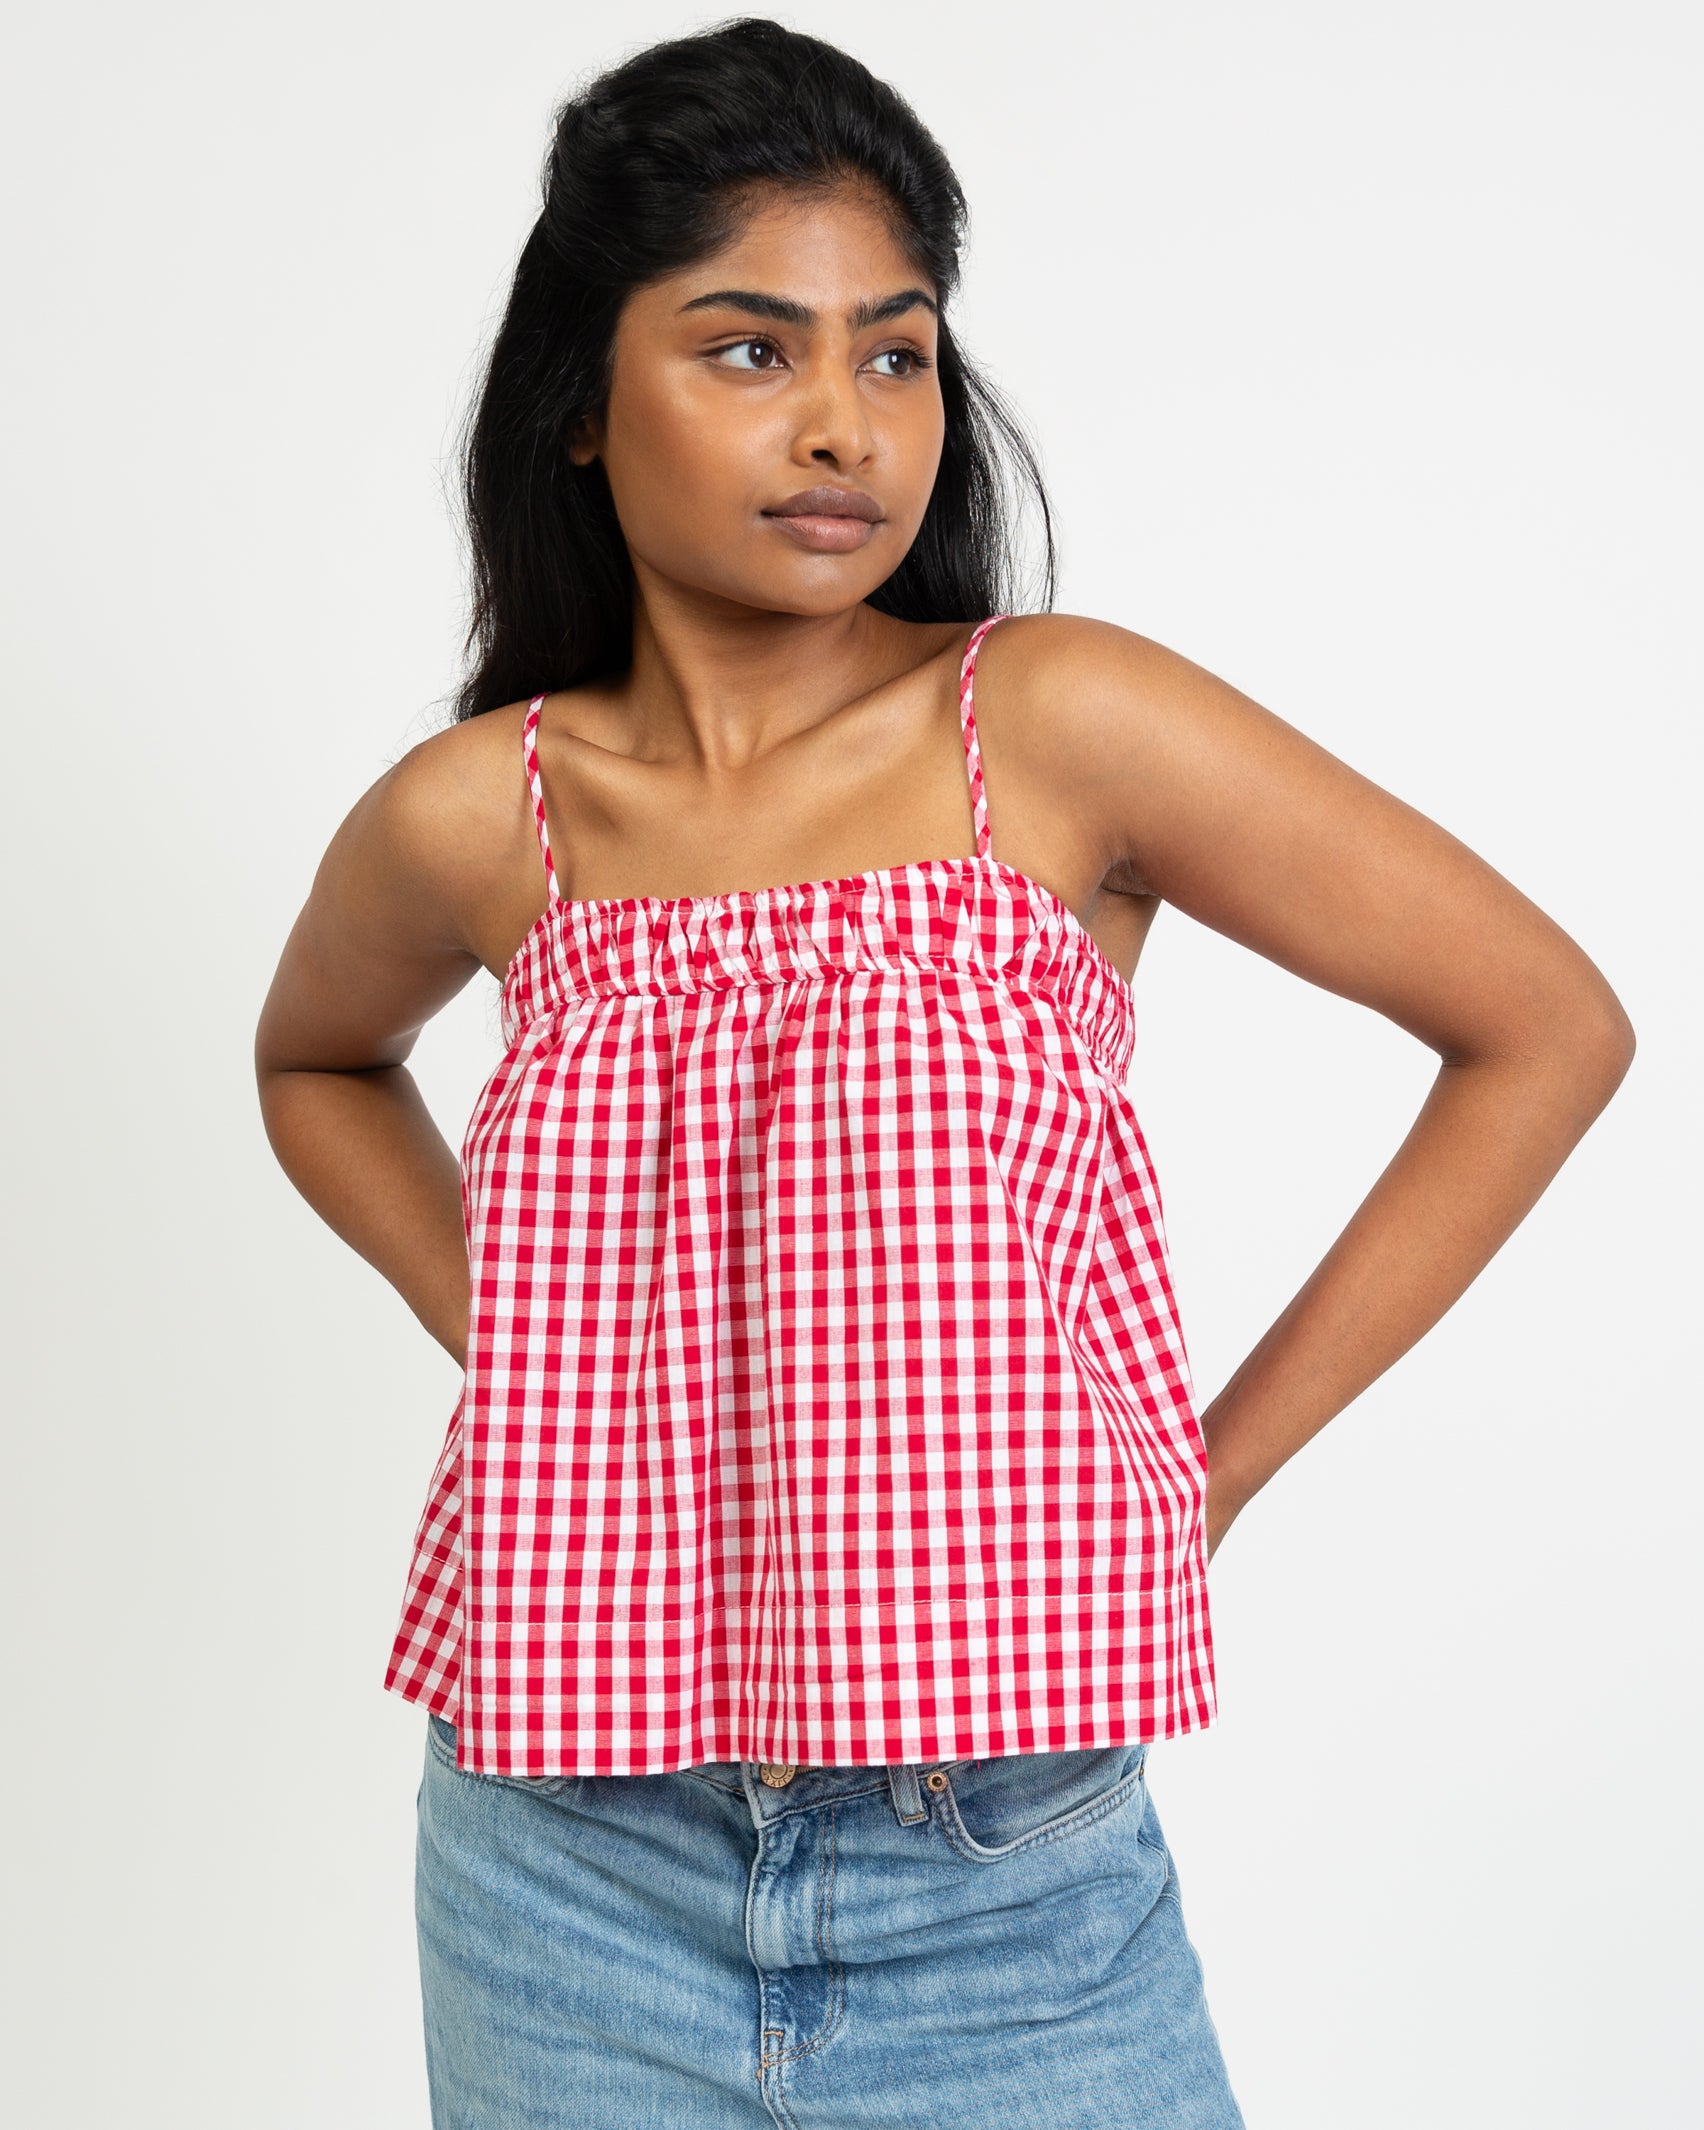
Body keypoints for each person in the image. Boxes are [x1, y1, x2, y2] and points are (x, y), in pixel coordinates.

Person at [253, 18, 1634, 2127]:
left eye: (894, 355)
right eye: (750, 349)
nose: (844, 424)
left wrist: (1209, 1469)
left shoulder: (1051, 728)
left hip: (1002, 1868)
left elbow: (1543, 1025)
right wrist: (523, 1326)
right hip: (561, 1862)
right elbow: (317, 1064)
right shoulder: (483, 814)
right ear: (579, 409)